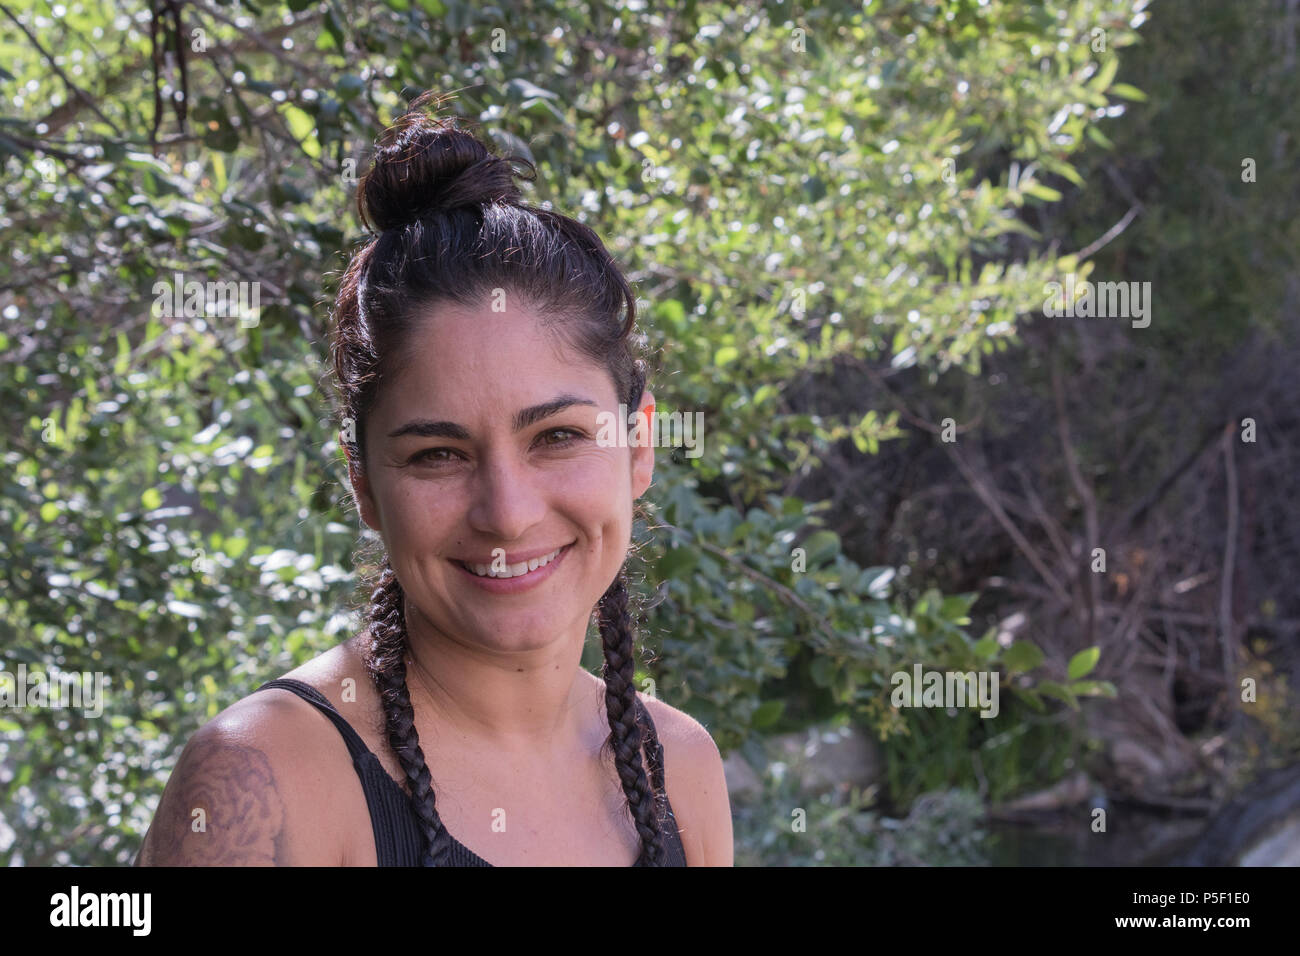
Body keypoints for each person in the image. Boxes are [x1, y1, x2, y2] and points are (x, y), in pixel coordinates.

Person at [135, 90, 733, 866]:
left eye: (556, 436)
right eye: (437, 455)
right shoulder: (269, 781)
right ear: (363, 484)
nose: (508, 514)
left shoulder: (678, 770)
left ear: (639, 444)